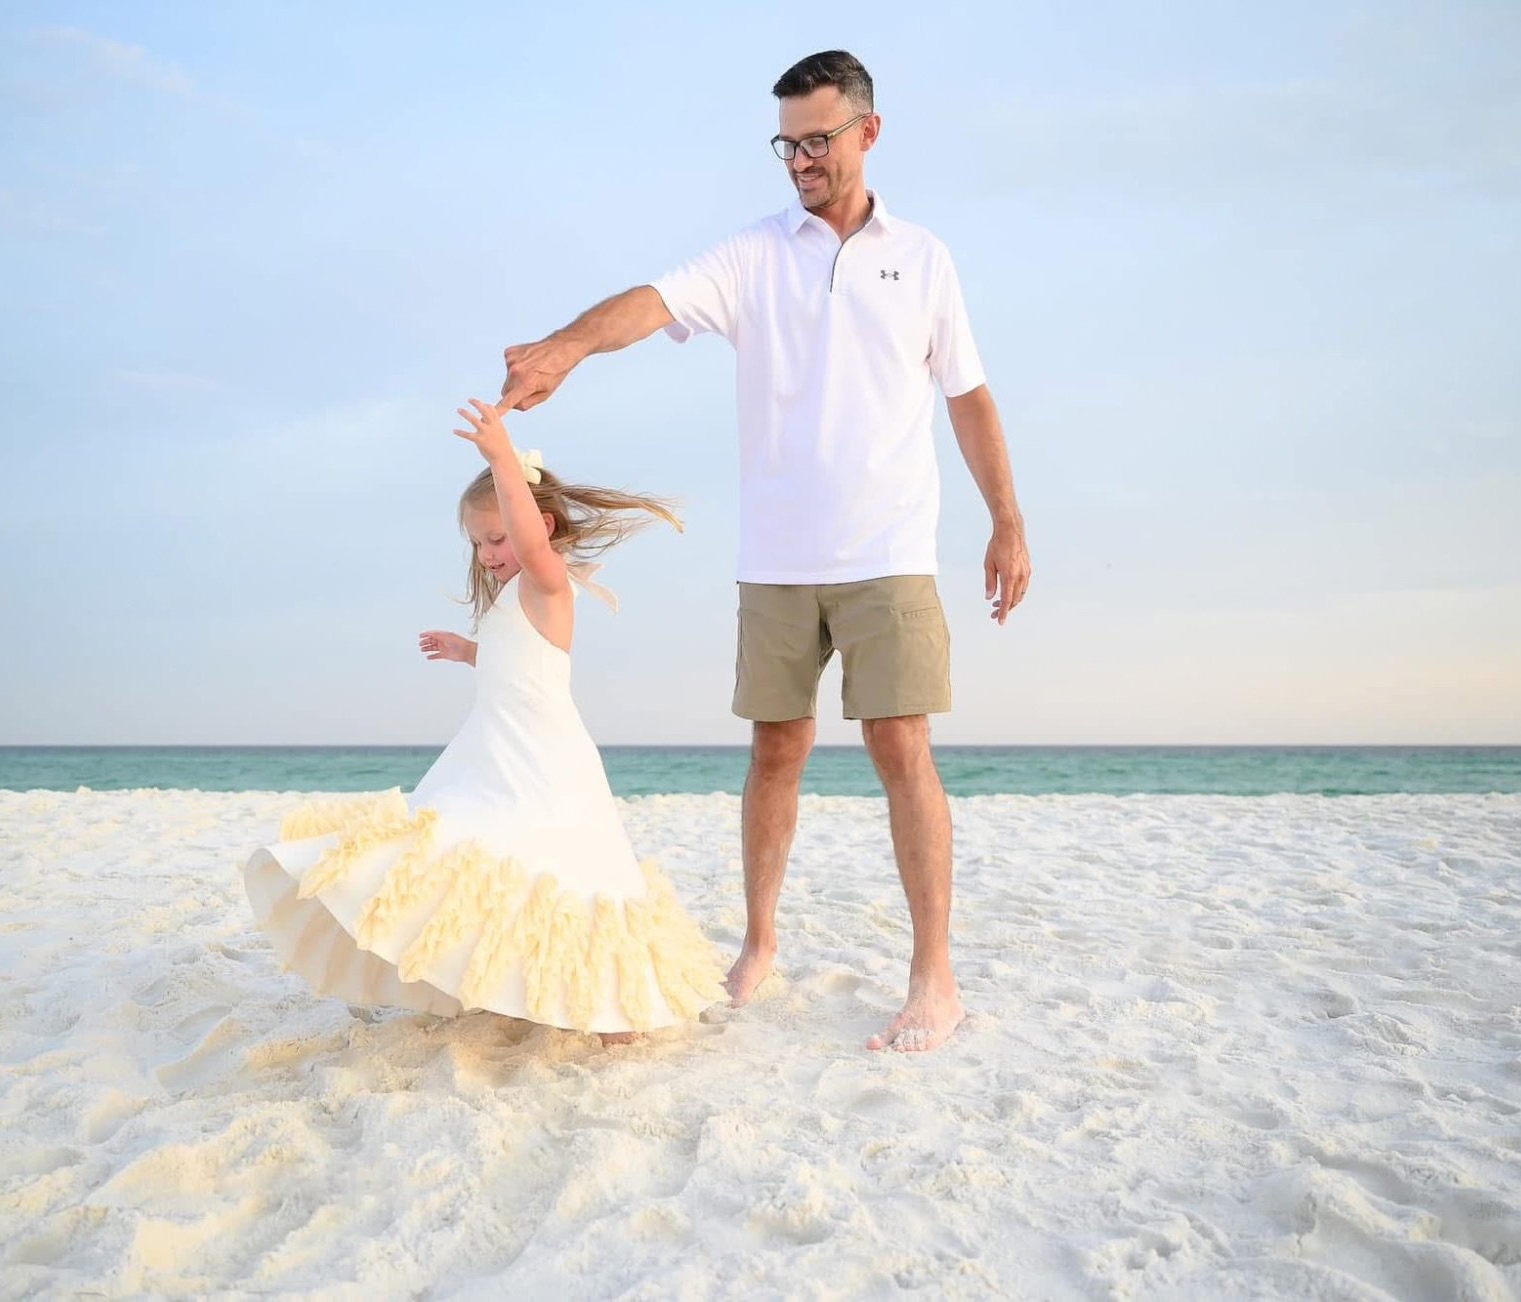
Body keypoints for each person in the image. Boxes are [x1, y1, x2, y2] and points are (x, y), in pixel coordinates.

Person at [496, 50, 1031, 1053]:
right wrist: (567, 347)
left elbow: (967, 396)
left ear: (868, 132)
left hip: (888, 549)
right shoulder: (753, 254)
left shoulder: (923, 258)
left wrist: (1005, 518)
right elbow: (649, 303)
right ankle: (759, 944)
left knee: (900, 746)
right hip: (778, 558)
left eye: (817, 141)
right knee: (775, 748)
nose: (800, 161)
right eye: (786, 145)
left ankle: (934, 977)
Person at [242, 398, 725, 1043]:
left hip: (542, 752)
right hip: (495, 746)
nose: (489, 553)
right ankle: (507, 981)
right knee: (491, 854)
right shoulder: (513, 598)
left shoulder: (547, 581)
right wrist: (468, 650)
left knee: (571, 867)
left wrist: (500, 456)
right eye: (477, 542)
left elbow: (530, 548)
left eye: (497, 539)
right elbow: (517, 658)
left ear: (538, 527)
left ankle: (613, 1013)